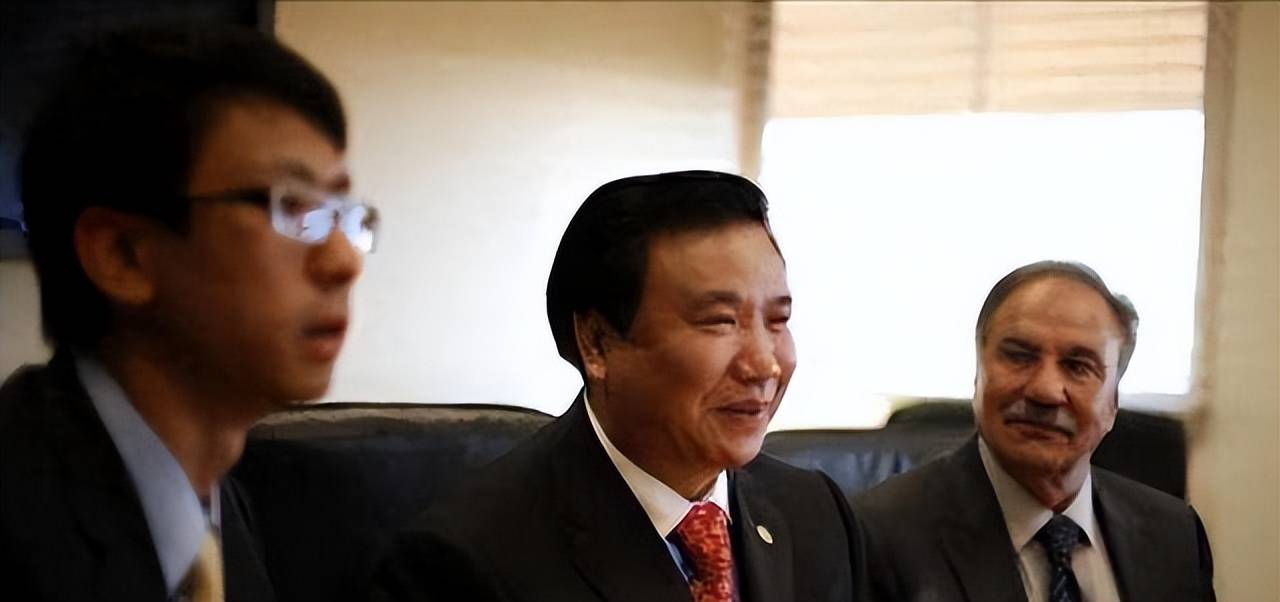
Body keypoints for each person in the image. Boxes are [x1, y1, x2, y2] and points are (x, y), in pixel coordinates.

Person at [0, 26, 376, 602]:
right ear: (123, 255)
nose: (344, 262)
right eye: (293, 207)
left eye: (342, 215)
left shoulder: (270, 508)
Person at [373, 170, 866, 601]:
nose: (764, 364)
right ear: (597, 343)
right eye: (720, 321)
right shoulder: (466, 559)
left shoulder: (814, 512)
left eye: (778, 321)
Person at [853, 261, 1215, 602]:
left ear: (1112, 404)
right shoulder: (876, 535)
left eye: (1078, 366)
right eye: (1019, 355)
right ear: (978, 375)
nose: (1045, 390)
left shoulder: (1175, 535)